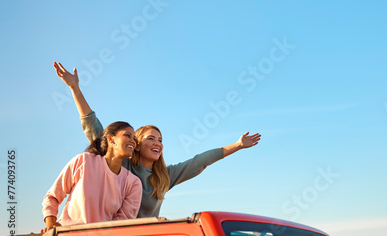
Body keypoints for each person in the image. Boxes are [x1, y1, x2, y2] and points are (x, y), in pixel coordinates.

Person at [53, 62, 261, 217]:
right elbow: (94, 128)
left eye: (160, 140)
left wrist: (238, 145)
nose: (157, 143)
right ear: (135, 144)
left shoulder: (164, 176)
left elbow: (200, 161)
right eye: (151, 139)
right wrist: (75, 89)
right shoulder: (122, 166)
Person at [41, 121, 142, 232]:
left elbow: (121, 225)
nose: (132, 141)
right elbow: (52, 197)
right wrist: (51, 226)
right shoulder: (83, 161)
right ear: (111, 139)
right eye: (128, 135)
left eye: (134, 139)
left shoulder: (133, 183)